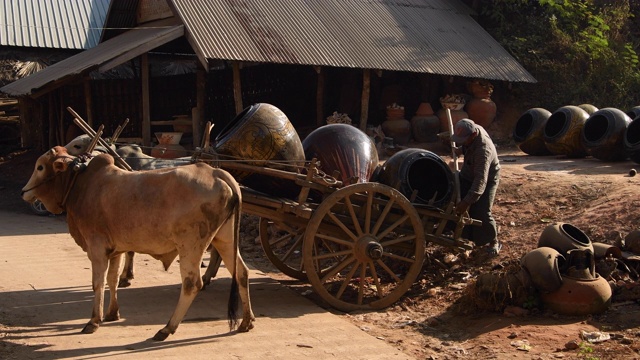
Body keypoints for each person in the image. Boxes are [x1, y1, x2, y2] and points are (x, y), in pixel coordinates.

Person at [451, 118, 501, 255]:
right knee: (452, 195)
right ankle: (463, 235)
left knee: (481, 211)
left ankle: (493, 241)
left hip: (487, 178)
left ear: (473, 135)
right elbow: (467, 145)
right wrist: (460, 150)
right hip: (468, 172)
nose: (462, 141)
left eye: (463, 140)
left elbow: (480, 181)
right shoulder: (473, 128)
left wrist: (466, 202)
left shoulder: (483, 151)